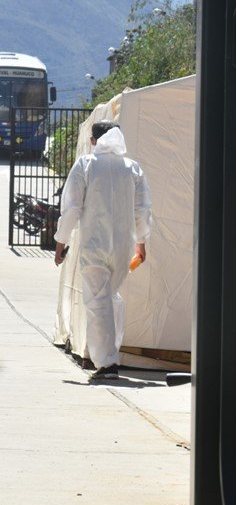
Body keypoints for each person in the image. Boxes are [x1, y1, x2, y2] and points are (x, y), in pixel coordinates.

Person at [54, 121, 152, 381]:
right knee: (109, 298)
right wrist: (141, 243)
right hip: (122, 247)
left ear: (93, 141)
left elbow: (72, 207)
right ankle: (111, 352)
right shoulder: (133, 168)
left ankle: (107, 364)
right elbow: (142, 210)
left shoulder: (86, 165)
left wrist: (61, 242)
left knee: (98, 302)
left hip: (94, 246)